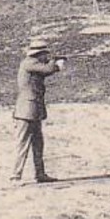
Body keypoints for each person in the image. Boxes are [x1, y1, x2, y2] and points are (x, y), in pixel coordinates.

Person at [11, 37, 66, 184]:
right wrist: (56, 63)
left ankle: (40, 174)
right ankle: (15, 176)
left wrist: (54, 62)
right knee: (22, 144)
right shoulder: (30, 63)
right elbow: (48, 69)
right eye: (44, 54)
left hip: (33, 110)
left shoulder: (32, 63)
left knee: (38, 144)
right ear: (39, 54)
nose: (45, 56)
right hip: (27, 111)